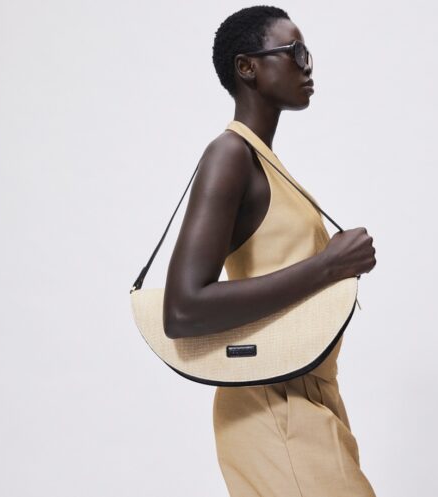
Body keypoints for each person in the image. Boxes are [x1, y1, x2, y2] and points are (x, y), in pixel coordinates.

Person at [163, 6, 377, 496]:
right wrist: (329, 265)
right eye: (295, 51)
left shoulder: (264, 163)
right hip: (272, 400)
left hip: (307, 391)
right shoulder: (229, 155)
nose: (308, 65)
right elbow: (183, 307)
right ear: (247, 67)